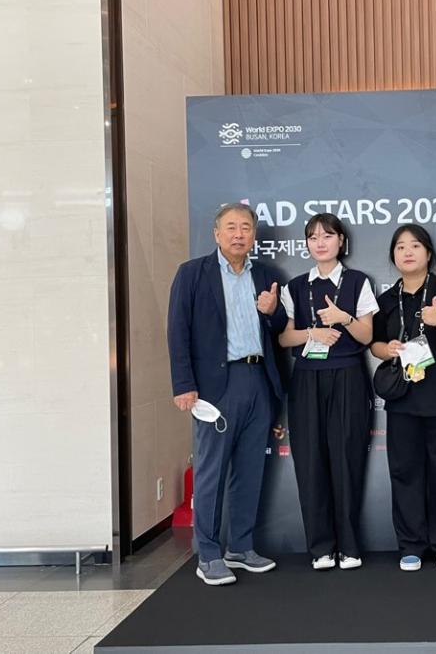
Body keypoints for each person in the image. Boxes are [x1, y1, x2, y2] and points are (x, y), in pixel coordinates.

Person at [167, 203, 286, 586]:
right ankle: (208, 553)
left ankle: (241, 547)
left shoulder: (265, 275)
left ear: (254, 235)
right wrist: (183, 384)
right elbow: (177, 331)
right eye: (231, 227)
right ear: (216, 233)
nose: (239, 234)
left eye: (246, 227)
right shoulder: (192, 274)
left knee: (250, 470)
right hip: (215, 386)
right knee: (211, 472)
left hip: (258, 380)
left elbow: (280, 330)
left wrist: (273, 311)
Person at [278, 213, 378, 570]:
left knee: (347, 458)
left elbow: (367, 336)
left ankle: (348, 546)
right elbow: (284, 338)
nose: (320, 242)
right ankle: (320, 547)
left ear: (341, 241)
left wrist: (344, 318)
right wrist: (312, 333)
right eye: (313, 237)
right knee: (310, 460)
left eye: (327, 235)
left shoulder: (357, 281)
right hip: (307, 377)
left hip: (348, 375)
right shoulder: (295, 286)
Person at [370, 224, 436, 572]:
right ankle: (411, 545)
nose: (407, 252)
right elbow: (374, 344)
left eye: (414, 245)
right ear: (393, 256)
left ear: (428, 253)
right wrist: (387, 349)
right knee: (405, 473)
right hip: (403, 402)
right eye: (400, 247)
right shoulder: (387, 299)